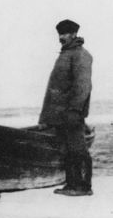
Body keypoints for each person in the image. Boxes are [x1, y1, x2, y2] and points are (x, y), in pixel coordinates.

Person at [39, 19, 93, 196]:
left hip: (71, 113)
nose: (61, 37)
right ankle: (72, 184)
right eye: (60, 34)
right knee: (68, 150)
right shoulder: (66, 54)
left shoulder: (80, 55)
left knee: (77, 149)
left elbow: (83, 86)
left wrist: (75, 110)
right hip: (60, 114)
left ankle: (83, 186)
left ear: (74, 34)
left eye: (65, 34)